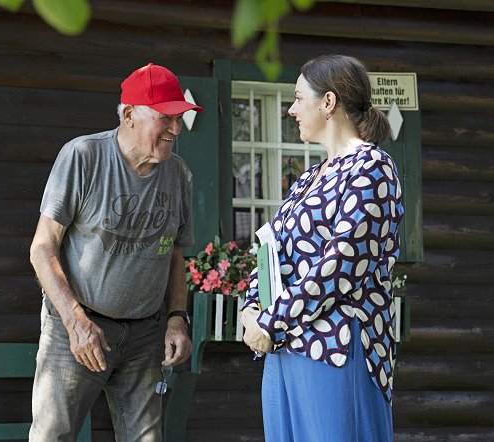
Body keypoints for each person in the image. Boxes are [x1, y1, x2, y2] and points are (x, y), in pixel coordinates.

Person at [28, 63, 201, 442]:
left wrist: (176, 318)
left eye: (179, 118)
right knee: (52, 435)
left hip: (144, 334)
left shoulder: (179, 175)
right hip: (76, 326)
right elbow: (42, 248)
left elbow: (173, 254)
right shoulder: (83, 157)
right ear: (128, 115)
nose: (175, 129)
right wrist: (75, 323)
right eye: (165, 118)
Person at [241, 54, 404, 441]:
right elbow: (269, 249)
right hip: (284, 348)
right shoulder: (308, 178)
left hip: (336, 345)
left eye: (299, 98)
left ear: (328, 103)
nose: (292, 110)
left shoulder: (372, 169)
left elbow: (340, 264)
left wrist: (270, 321)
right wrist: (250, 306)